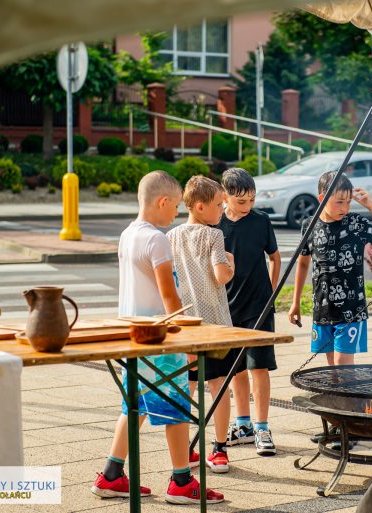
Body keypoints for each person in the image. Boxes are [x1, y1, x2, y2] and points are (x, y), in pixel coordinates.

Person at [92, 171, 223, 505]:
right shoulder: (156, 239)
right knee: (177, 408)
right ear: (162, 201)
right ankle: (181, 482)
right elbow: (170, 300)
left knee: (133, 406)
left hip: (133, 337)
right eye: (176, 205)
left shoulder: (128, 235)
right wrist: (187, 343)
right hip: (160, 340)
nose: (176, 213)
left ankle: (111, 475)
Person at [167, 175, 235, 474]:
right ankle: (219, 448)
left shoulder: (171, 236)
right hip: (214, 325)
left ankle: (186, 449)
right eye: (219, 205)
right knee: (218, 386)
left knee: (188, 385)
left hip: (184, 322)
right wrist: (231, 263)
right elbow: (221, 276)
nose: (223, 210)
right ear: (200, 206)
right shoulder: (214, 236)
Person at [288, 170, 372, 366]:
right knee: (331, 367)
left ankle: (349, 397)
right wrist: (295, 302)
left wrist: (371, 207)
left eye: (348, 202)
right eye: (339, 202)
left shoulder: (354, 223)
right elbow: (303, 262)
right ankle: (340, 397)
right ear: (322, 198)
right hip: (322, 307)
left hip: (351, 307)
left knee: (343, 365)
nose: (345, 208)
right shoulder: (310, 224)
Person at [217, 168, 281, 456]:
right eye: (241, 202)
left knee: (259, 367)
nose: (248, 207)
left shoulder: (260, 221)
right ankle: (242, 425)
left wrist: (273, 291)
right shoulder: (215, 225)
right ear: (225, 196)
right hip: (228, 307)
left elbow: (275, 257)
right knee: (236, 370)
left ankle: (262, 427)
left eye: (252, 200)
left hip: (259, 305)